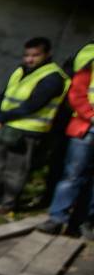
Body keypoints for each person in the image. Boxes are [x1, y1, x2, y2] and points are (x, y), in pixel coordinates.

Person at [0, 37, 69, 212]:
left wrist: (2, 117)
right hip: (7, 126)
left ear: (47, 54)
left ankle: (6, 204)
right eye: (27, 55)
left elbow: (33, 105)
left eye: (35, 55)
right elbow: (4, 95)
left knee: (15, 171)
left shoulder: (53, 77)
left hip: (28, 132)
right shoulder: (21, 70)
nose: (29, 59)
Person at [40, 41, 94, 236]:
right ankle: (57, 218)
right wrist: (91, 115)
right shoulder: (90, 63)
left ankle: (83, 221)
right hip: (86, 129)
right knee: (73, 175)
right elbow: (77, 94)